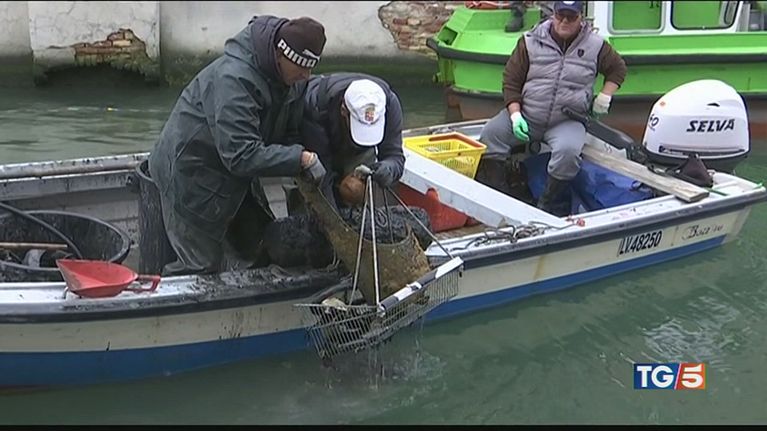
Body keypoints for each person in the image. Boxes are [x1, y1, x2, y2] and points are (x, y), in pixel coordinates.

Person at [147, 15, 328, 276]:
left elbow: (289, 132)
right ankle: (167, 296)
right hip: (192, 170)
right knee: (199, 266)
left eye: (310, 68)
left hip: (236, 175)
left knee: (258, 247)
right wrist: (299, 159)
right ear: (280, 55)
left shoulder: (292, 81)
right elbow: (241, 156)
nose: (306, 75)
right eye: (300, 67)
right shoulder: (235, 79)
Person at [477, 0, 627, 216]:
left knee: (568, 153)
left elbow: (618, 69)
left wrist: (604, 97)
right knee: (491, 134)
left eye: (571, 17)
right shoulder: (529, 41)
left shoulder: (596, 45)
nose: (564, 21)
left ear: (581, 18)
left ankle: (546, 205)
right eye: (560, 15)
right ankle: (498, 198)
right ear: (553, 14)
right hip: (527, 115)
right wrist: (516, 115)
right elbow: (511, 81)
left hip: (567, 120)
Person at [297, 72, 406, 209]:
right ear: (344, 110)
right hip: (313, 135)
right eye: (360, 126)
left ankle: (353, 209)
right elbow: (323, 176)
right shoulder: (315, 106)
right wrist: (332, 218)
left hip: (349, 145)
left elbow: (395, 156)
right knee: (311, 191)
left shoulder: (389, 104)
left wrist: (389, 168)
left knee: (353, 190)